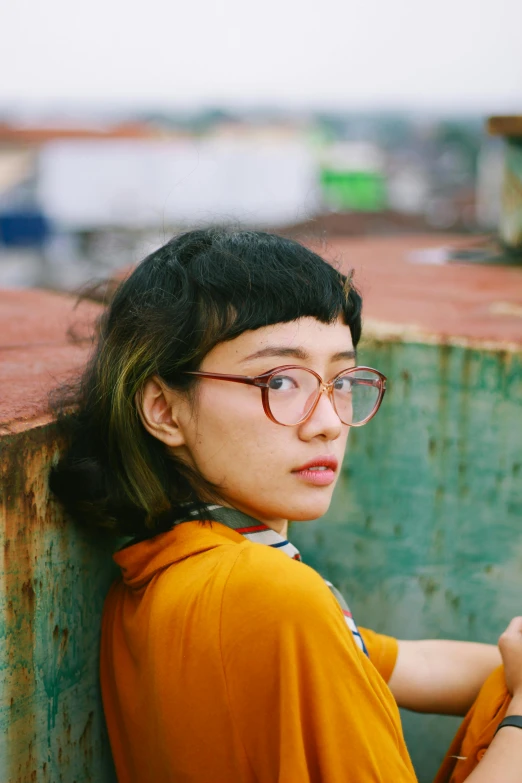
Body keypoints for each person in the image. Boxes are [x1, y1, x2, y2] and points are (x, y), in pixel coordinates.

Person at [50, 227, 522, 783]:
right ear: (164, 410)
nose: (327, 424)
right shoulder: (268, 595)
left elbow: (408, 664)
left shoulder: (172, 567)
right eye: (280, 381)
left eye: (341, 380)